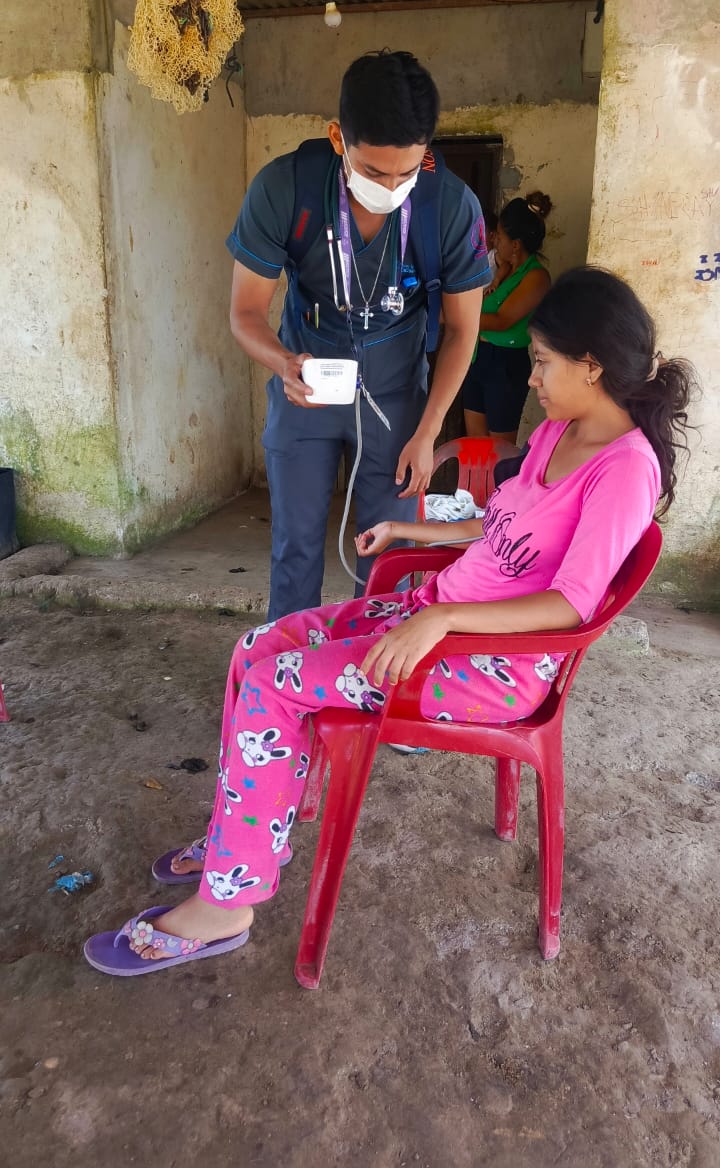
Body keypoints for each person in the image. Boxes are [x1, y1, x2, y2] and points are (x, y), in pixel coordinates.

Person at [83, 266, 695, 976]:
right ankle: (247, 836)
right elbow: (501, 528)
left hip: (488, 665)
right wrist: (413, 532)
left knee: (275, 685)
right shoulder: (560, 431)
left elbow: (572, 603)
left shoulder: (624, 470)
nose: (532, 379)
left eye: (542, 362)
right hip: (435, 619)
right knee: (257, 648)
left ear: (591, 366)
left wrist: (442, 622)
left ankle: (227, 905)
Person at [224, 50, 491, 621]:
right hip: (308, 389)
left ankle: (370, 664)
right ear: (338, 139)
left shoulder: (449, 207)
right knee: (295, 548)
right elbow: (244, 313)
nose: (391, 187)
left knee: (388, 555)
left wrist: (428, 431)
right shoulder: (285, 189)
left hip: (397, 403)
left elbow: (463, 329)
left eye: (406, 172)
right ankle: (288, 661)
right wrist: (282, 363)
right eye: (373, 172)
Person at [463, 191, 553, 444]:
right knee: (476, 444)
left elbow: (502, 320)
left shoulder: (536, 277)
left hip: (505, 365)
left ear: (515, 244)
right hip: (478, 356)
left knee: (499, 447)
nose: (495, 240)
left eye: (500, 236)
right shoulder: (504, 270)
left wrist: (455, 316)